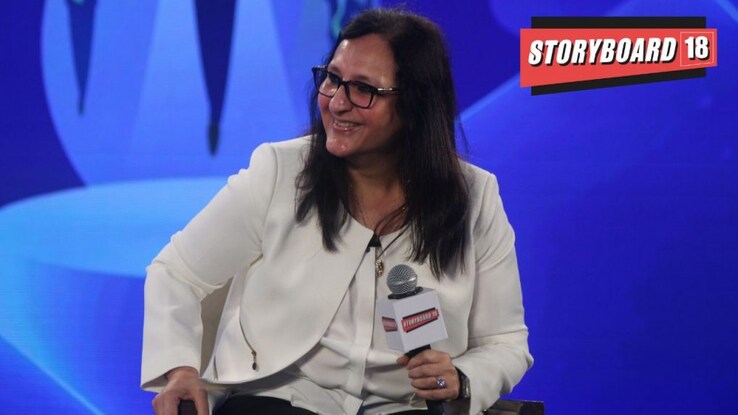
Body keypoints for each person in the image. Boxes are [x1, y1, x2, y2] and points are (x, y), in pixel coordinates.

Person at [141, 8, 532, 415]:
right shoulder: (279, 172)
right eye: (332, 79)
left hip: (403, 407)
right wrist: (179, 369)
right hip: (282, 399)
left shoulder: (474, 198)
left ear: (414, 104)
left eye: (363, 89)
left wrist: (462, 377)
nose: (337, 103)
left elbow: (505, 342)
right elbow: (177, 273)